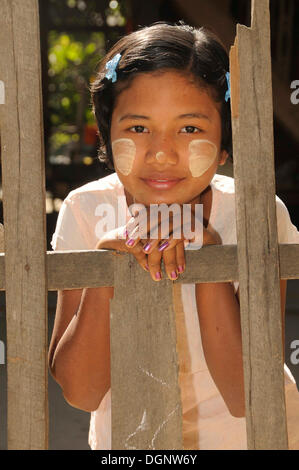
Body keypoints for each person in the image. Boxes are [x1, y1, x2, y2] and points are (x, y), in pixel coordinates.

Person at [48, 22, 299, 450]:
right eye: (139, 128)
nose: (162, 154)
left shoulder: (255, 215)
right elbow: (81, 392)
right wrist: (107, 271)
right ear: (107, 136)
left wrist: (207, 259)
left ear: (224, 147)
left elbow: (246, 397)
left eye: (189, 129)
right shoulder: (86, 211)